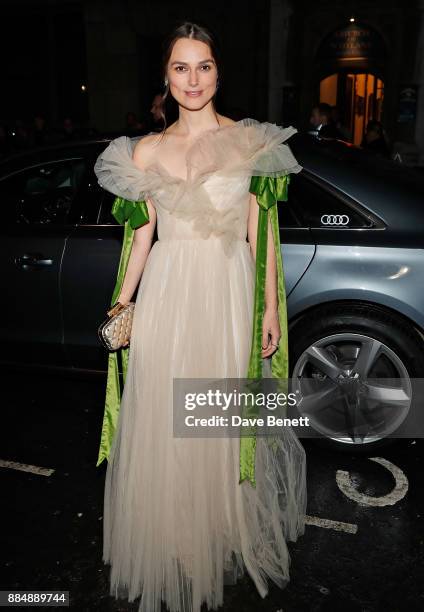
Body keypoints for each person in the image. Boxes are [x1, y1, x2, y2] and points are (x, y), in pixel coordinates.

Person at [94, 20, 307, 612]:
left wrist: (268, 307)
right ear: (166, 76)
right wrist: (124, 300)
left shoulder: (249, 142)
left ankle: (218, 529)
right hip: (167, 289)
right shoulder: (146, 150)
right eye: (181, 67)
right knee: (167, 415)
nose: (193, 79)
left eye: (204, 66)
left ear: (218, 72)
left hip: (227, 286)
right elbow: (141, 236)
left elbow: (261, 231)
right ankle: (177, 535)